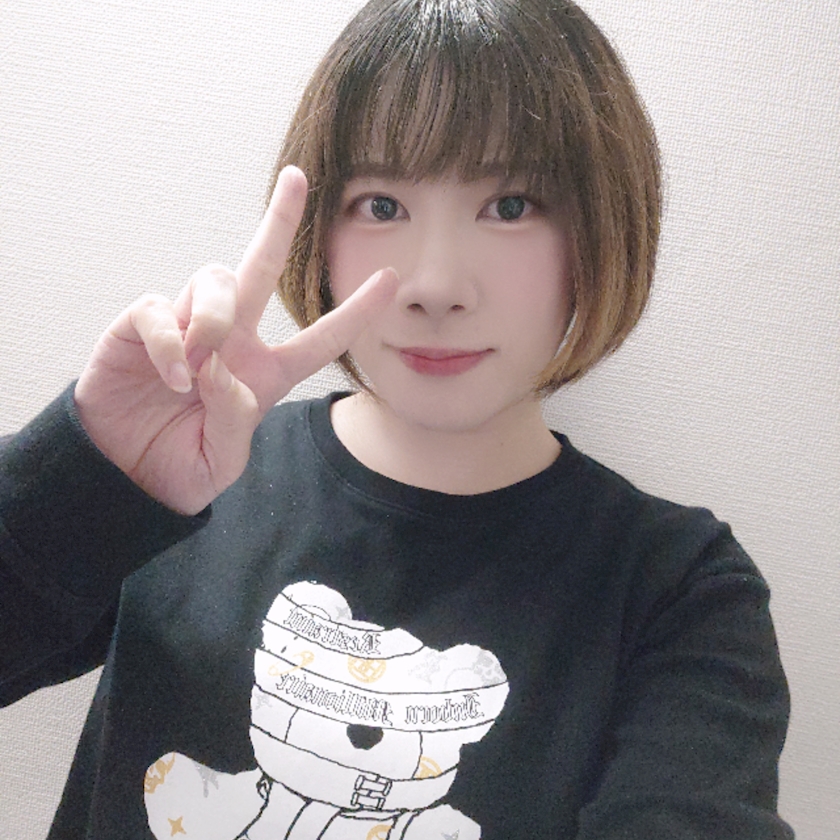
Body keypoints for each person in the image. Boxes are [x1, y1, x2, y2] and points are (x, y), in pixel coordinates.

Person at [0, 0, 793, 837]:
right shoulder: (189, 476)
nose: (436, 285)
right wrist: (87, 478)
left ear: (603, 230)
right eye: (381, 205)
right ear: (320, 235)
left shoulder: (679, 590)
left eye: (512, 205)